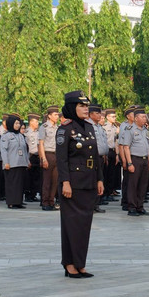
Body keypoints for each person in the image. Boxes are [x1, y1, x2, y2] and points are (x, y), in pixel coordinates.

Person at [57, 90, 104, 278]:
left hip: (89, 182)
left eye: (86, 106)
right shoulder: (65, 129)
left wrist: (100, 178)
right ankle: (69, 263)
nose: (86, 109)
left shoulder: (89, 127)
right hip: (73, 184)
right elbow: (62, 160)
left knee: (84, 225)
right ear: (71, 107)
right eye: (81, 106)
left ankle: (80, 263)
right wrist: (65, 182)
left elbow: (96, 156)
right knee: (71, 224)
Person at [122, 108, 149, 216]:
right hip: (135, 159)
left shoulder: (145, 130)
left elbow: (148, 146)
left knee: (143, 184)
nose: (145, 118)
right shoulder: (129, 129)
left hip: (144, 159)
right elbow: (126, 147)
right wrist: (129, 163)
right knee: (133, 184)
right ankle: (132, 207)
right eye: (143, 117)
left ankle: (140, 206)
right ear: (136, 118)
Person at [1, 114, 30, 209]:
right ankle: (11, 202)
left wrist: (27, 161)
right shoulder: (6, 136)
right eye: (16, 123)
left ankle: (18, 202)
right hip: (11, 164)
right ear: (10, 124)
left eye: (18, 123)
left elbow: (25, 150)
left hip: (21, 163)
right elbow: (3, 150)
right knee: (12, 184)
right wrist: (6, 163)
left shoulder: (21, 136)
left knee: (20, 184)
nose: (18, 125)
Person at [88, 104, 109, 213]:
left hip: (101, 157)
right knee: (92, 181)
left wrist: (105, 155)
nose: (100, 115)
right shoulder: (88, 126)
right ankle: (91, 204)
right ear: (90, 114)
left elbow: (103, 143)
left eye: (100, 113)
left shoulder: (100, 127)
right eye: (97, 113)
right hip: (92, 158)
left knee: (99, 181)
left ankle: (96, 203)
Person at [39, 105, 59, 211]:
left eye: (57, 115)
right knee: (47, 181)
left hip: (57, 155)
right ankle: (45, 202)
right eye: (55, 115)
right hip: (48, 154)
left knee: (55, 180)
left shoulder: (58, 127)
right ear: (49, 116)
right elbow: (41, 143)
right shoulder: (44, 127)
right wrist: (43, 158)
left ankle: (51, 201)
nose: (57, 117)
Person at [118, 106, 138, 211]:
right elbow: (121, 144)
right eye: (133, 115)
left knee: (133, 181)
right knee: (127, 180)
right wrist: (124, 160)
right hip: (126, 155)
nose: (135, 116)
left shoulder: (136, 126)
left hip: (134, 156)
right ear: (128, 116)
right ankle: (125, 201)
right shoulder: (124, 126)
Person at [103, 108, 120, 201]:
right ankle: (105, 193)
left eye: (115, 116)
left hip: (113, 151)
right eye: (113, 117)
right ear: (107, 117)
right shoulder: (104, 127)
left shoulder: (115, 127)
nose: (114, 118)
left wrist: (117, 154)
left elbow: (116, 141)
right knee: (106, 173)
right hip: (107, 151)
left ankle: (109, 193)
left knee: (112, 174)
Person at [25, 113, 42, 203]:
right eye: (35, 121)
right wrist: (27, 160)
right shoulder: (27, 133)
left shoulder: (39, 132)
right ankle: (28, 195)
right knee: (29, 177)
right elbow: (26, 147)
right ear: (31, 122)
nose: (37, 123)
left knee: (36, 177)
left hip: (37, 156)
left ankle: (33, 194)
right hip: (30, 156)